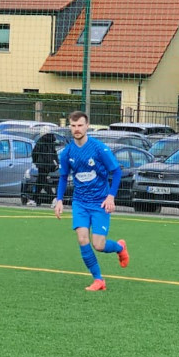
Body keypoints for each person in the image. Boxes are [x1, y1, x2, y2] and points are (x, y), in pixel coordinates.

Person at [53, 110, 129, 291]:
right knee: (82, 239)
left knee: (99, 245)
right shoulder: (67, 153)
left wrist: (111, 196)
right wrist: (59, 199)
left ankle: (119, 247)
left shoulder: (99, 149)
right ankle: (99, 280)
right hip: (80, 202)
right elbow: (63, 177)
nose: (77, 129)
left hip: (100, 202)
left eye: (80, 125)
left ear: (87, 126)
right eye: (73, 126)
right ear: (69, 127)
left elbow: (117, 171)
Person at [30, 129, 60, 204]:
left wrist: (35, 161)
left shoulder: (40, 141)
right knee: (40, 181)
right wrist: (56, 163)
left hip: (42, 164)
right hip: (50, 164)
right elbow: (54, 153)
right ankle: (35, 199)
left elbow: (35, 152)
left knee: (42, 181)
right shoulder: (51, 141)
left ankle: (53, 197)